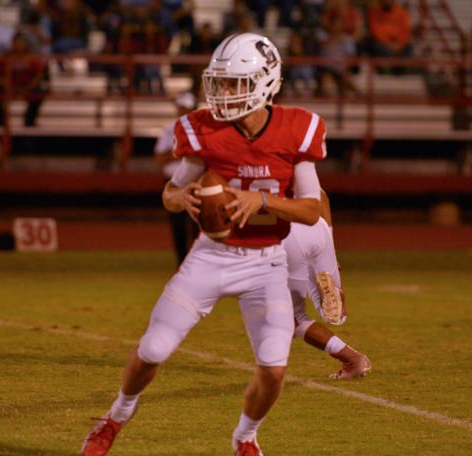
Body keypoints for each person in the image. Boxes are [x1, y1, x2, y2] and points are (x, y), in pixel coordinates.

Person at [81, 32, 326, 456]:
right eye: (221, 83)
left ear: (267, 82)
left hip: (266, 263)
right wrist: (183, 199)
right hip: (212, 255)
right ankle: (114, 418)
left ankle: (245, 437)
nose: (225, 94)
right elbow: (170, 193)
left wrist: (261, 200)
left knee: (274, 368)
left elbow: (310, 210)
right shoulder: (204, 129)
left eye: (235, 84)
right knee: (153, 348)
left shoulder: (297, 129)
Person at [284, 190, 372, 380]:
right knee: (335, 316)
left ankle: (353, 359)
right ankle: (334, 293)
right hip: (318, 227)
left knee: (291, 318)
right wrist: (329, 248)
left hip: (284, 232)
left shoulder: (235, 173)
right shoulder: (294, 170)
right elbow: (321, 195)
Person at [154, 92, 200, 265]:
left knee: (199, 225)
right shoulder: (170, 129)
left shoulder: (202, 129)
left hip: (197, 183)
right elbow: (160, 158)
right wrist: (182, 150)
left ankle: (197, 262)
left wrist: (180, 151)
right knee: (178, 225)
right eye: (181, 108)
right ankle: (182, 263)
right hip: (174, 183)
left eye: (186, 108)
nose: (183, 112)